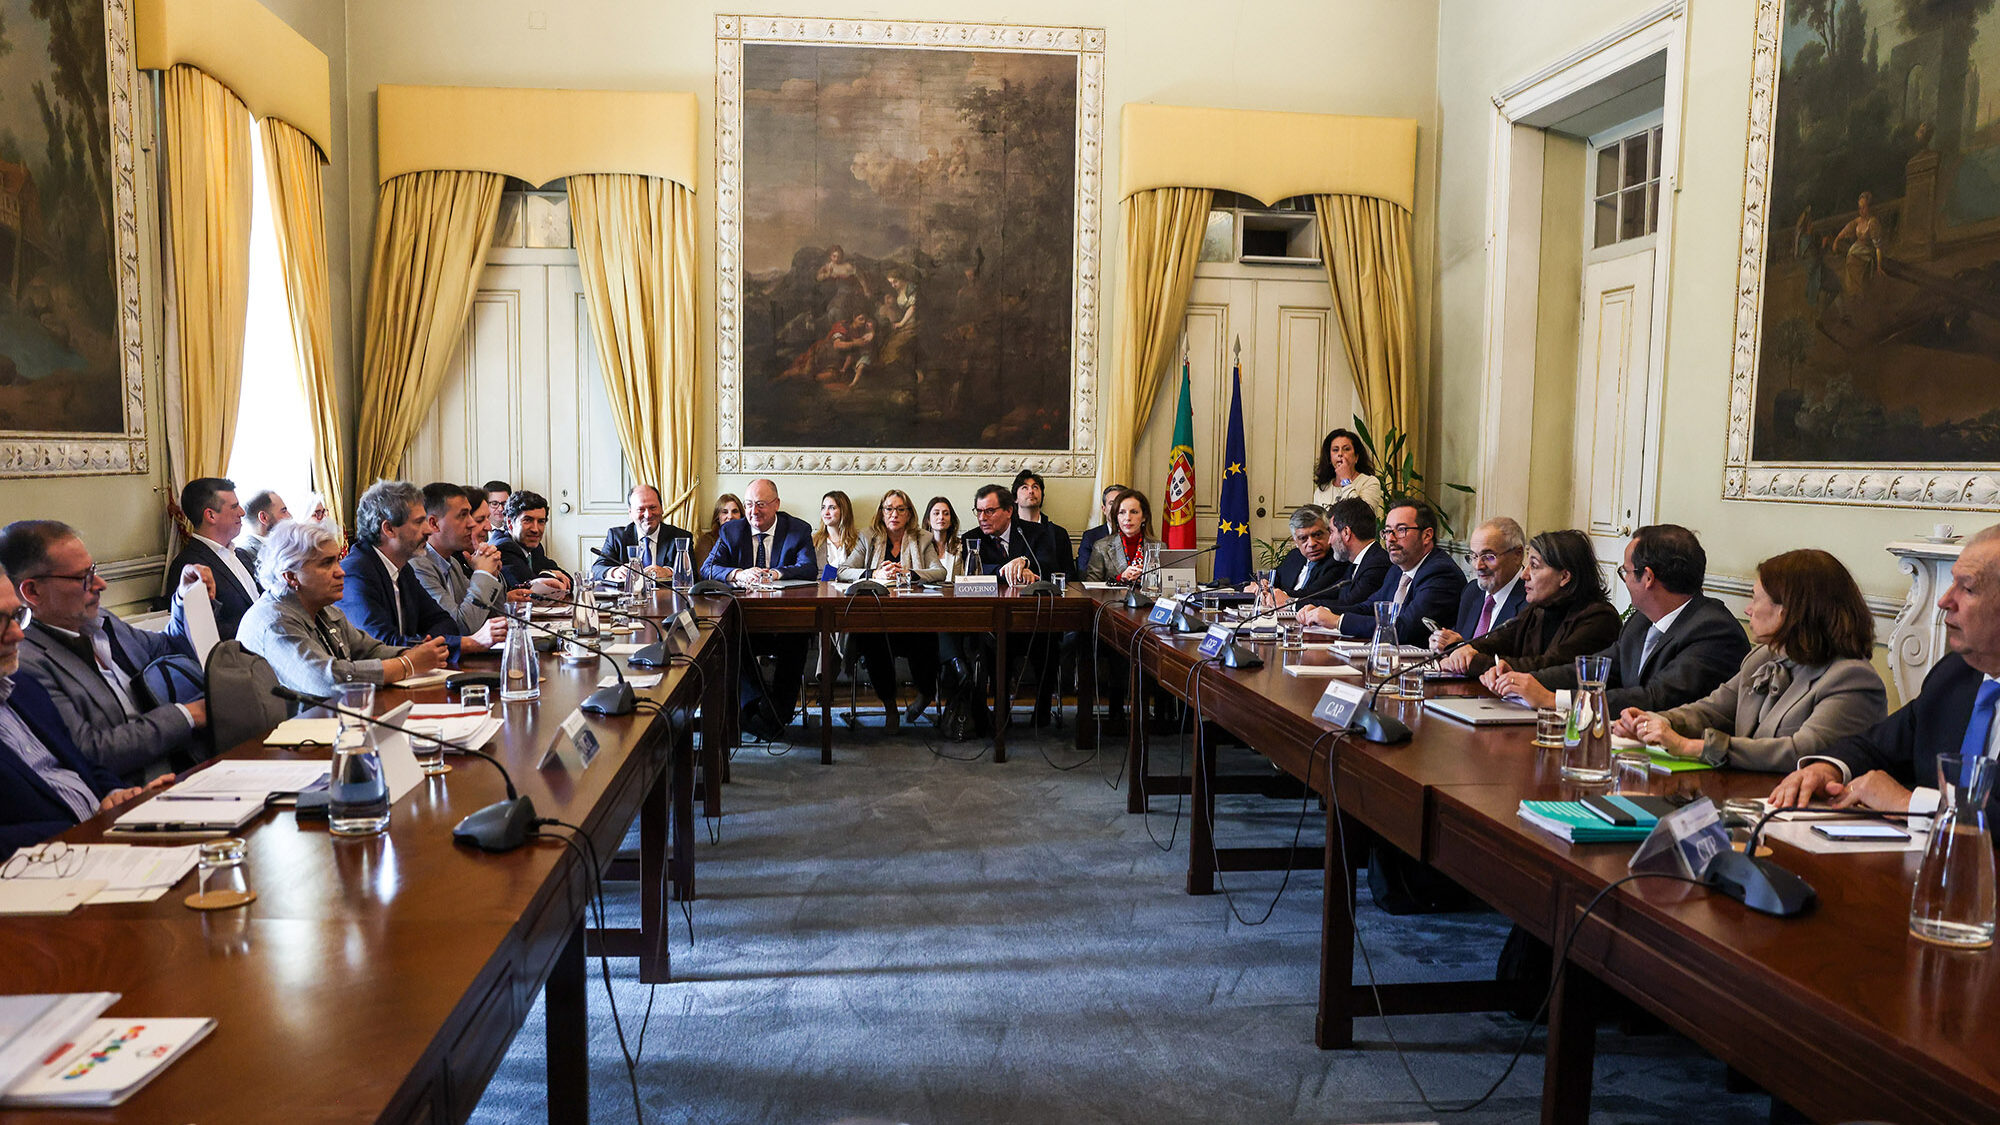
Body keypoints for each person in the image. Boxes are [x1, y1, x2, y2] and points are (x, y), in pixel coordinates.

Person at [1771, 526, 2000, 814]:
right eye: (1951, 582)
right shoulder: (1954, 675)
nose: (1944, 601)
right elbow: (1876, 747)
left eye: (1967, 589)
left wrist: (1910, 803)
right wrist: (1827, 769)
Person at [1615, 549, 1885, 773]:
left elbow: (1801, 752)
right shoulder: (1763, 656)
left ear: (1788, 611)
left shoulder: (1852, 679)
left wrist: (1690, 747)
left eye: (1755, 599)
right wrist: (1655, 722)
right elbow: (1713, 710)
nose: (1748, 610)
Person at [3, 521, 212, 782]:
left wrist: (185, 596)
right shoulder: (23, 663)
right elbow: (90, 752)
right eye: (83, 578)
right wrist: (188, 715)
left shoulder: (100, 621)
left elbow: (170, 647)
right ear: (33, 591)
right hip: (133, 789)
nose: (100, 584)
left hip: (189, 764)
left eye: (93, 570)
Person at [0, 568, 170, 860]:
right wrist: (85, 826)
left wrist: (115, 796)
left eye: (16, 616)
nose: (17, 633)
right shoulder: (32, 668)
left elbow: (81, 763)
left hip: (102, 842)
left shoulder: (22, 687)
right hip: (46, 866)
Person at [1491, 524, 1750, 714]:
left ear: (1647, 578)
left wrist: (1552, 700)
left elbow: (1656, 699)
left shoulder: (1714, 632)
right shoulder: (1640, 621)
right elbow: (1598, 669)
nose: (1624, 579)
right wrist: (1524, 679)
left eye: (1625, 571)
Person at [239, 520, 451, 697]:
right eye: (326, 563)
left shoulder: (324, 609)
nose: (340, 572)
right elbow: (326, 680)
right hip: (287, 730)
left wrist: (414, 653)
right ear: (291, 576)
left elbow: (369, 650)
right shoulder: (274, 622)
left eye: (337, 561)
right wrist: (407, 664)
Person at [700, 479, 816, 740]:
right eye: (749, 504)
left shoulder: (797, 529)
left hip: (786, 620)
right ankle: (762, 708)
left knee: (798, 639)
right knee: (729, 638)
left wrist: (775, 573)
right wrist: (738, 574)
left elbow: (809, 568)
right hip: (746, 620)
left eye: (761, 504)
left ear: (776, 505)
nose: (754, 511)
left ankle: (772, 715)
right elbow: (707, 568)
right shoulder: (732, 531)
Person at [337, 479, 506, 658]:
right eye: (418, 522)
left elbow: (444, 622)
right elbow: (383, 645)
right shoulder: (355, 574)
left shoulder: (402, 568)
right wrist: (467, 643)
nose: (428, 530)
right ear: (389, 529)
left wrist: (426, 643)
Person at [1437, 528, 1620, 679]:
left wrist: (1474, 662)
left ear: (1564, 576)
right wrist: (1466, 649)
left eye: (1534, 566)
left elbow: (1549, 667)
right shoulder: (1539, 609)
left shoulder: (1599, 619)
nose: (1524, 575)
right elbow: (1500, 641)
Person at [845, 489, 944, 726]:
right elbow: (843, 570)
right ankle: (890, 705)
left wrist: (910, 573)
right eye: (889, 509)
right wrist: (873, 573)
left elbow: (939, 571)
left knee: (926, 636)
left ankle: (925, 695)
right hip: (877, 617)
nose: (894, 514)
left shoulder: (923, 538)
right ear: (881, 513)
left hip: (913, 615)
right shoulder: (868, 537)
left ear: (909, 514)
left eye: (900, 509)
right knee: (871, 639)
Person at [1324, 499, 1466, 644]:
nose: (1390, 539)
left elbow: (1405, 629)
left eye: (1401, 530)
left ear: (1427, 535)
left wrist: (1338, 621)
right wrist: (1324, 612)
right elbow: (1369, 607)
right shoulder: (1397, 569)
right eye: (1387, 531)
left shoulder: (1441, 573)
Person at [167, 476, 261, 640]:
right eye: (234, 507)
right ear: (211, 515)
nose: (242, 512)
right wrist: (261, 628)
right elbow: (205, 632)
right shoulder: (188, 566)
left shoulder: (241, 555)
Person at [409, 482, 509, 634]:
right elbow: (459, 627)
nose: (471, 523)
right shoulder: (418, 567)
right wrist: (484, 574)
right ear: (434, 524)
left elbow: (495, 615)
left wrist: (492, 573)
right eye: (463, 515)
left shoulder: (452, 563)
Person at [1431, 517, 1527, 649]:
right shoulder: (1472, 592)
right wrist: (1444, 642)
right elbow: (1459, 638)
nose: (1478, 566)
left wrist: (1464, 647)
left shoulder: (1531, 603)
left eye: (1488, 557)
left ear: (1517, 555)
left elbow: (1519, 657)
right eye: (1474, 556)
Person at [1296, 499, 1392, 620]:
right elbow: (1330, 593)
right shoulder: (1355, 562)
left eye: (1331, 532)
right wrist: (1294, 602)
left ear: (1346, 532)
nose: (1329, 541)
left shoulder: (1377, 564)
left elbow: (1350, 604)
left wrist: (1296, 605)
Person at [590, 484, 694, 584]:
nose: (648, 515)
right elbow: (597, 569)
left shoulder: (681, 537)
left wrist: (669, 572)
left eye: (653, 507)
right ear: (630, 513)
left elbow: (693, 574)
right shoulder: (617, 537)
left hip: (666, 595)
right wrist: (614, 572)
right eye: (641, 509)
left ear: (662, 509)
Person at [1263, 505, 1346, 605]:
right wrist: (1260, 584)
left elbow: (1311, 594)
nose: (1311, 544)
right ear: (1295, 541)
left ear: (1329, 533)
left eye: (1318, 535)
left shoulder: (1337, 560)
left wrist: (1274, 593)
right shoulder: (1295, 556)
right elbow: (1273, 578)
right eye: (1303, 538)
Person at [492, 490, 572, 593]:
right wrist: (549, 573)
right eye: (527, 520)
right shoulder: (504, 548)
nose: (535, 529)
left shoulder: (534, 547)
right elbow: (531, 590)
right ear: (510, 522)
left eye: (541, 521)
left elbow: (568, 581)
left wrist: (544, 574)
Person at [1083, 489, 1161, 584]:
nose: (1128, 518)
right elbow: (1092, 585)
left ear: (1144, 517)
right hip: (1113, 594)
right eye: (1122, 512)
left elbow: (1167, 583)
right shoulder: (1101, 547)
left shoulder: (1160, 547)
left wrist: (1147, 579)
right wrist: (1120, 578)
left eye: (1134, 512)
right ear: (1116, 517)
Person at [1011, 470, 1073, 576]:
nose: (1031, 491)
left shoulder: (1058, 533)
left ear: (1042, 495)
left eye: (1035, 487)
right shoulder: (1008, 530)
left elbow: (1069, 573)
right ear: (1015, 498)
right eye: (1025, 487)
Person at [1311, 428, 1384, 517]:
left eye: (1346, 449)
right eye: (1335, 450)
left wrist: (1345, 480)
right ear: (1329, 457)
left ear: (1356, 457)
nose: (1340, 454)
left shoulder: (1369, 482)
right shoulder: (1322, 489)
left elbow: (1362, 517)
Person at [1073, 484, 1125, 578]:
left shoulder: (1141, 538)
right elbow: (1085, 573)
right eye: (1112, 503)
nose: (1117, 507)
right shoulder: (1091, 537)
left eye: (1121, 502)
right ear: (1104, 509)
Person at [691, 494, 744, 574]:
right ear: (718, 517)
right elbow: (702, 573)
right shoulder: (707, 540)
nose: (730, 516)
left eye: (735, 511)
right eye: (725, 512)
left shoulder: (749, 538)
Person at [814, 491, 861, 579]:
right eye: (823, 507)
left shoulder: (859, 541)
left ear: (844, 511)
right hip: (822, 587)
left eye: (832, 508)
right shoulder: (813, 541)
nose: (826, 512)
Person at [241, 490, 291, 568]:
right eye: (283, 511)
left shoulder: (285, 544)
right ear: (264, 517)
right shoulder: (246, 555)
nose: (289, 516)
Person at [926, 496, 963, 576]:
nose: (941, 517)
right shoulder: (921, 547)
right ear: (928, 520)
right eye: (936, 513)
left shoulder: (960, 546)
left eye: (946, 514)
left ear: (951, 520)